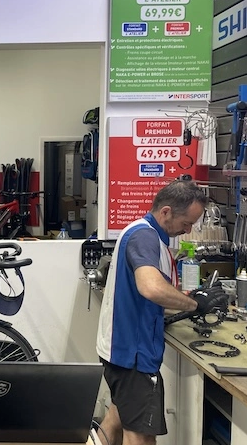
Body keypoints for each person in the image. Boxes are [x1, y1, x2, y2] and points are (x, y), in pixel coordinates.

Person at [96, 179, 228, 445]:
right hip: (133, 355)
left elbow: (152, 294)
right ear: (166, 211)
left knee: (115, 420)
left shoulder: (147, 234)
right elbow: (151, 288)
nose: (187, 230)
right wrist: (195, 305)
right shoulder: (144, 236)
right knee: (142, 437)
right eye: (186, 223)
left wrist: (186, 300)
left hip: (121, 350)